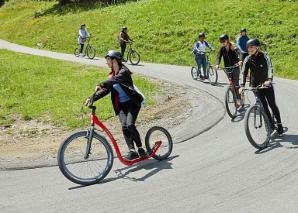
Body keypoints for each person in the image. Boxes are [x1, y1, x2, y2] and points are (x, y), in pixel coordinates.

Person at [85, 50, 147, 160]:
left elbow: (114, 81)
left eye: (108, 59)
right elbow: (105, 90)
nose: (107, 62)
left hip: (132, 103)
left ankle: (141, 148)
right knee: (124, 126)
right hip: (122, 105)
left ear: (114, 60)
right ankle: (132, 151)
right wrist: (92, 98)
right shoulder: (111, 75)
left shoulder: (124, 72)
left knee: (130, 125)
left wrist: (100, 84)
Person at [240, 39, 284, 136]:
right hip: (255, 86)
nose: (249, 49)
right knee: (264, 107)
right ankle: (270, 125)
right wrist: (242, 86)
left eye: (251, 47)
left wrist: (269, 79)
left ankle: (279, 124)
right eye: (248, 48)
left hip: (266, 85)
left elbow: (270, 68)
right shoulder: (247, 59)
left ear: (257, 47)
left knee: (272, 105)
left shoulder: (265, 56)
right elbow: (243, 73)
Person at [215, 34, 242, 105]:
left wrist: (240, 60)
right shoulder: (222, 48)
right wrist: (217, 64)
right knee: (231, 84)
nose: (223, 43)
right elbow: (218, 56)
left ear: (227, 40)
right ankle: (235, 99)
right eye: (221, 41)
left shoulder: (233, 46)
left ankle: (238, 98)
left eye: (224, 41)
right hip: (227, 68)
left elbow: (239, 53)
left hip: (235, 67)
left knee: (236, 84)